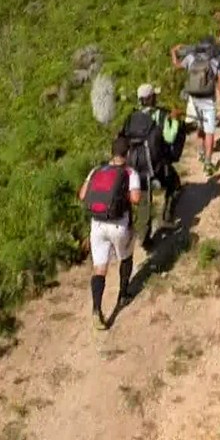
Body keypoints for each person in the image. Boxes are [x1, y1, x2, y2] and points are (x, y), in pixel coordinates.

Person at [78, 136, 143, 330]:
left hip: (97, 224)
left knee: (100, 268)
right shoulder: (130, 172)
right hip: (118, 225)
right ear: (127, 153)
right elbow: (136, 199)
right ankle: (123, 295)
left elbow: (82, 195)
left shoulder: (96, 170)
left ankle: (97, 310)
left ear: (111, 152)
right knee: (126, 256)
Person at [118, 83, 184, 246]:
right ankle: (167, 218)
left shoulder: (131, 118)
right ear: (151, 98)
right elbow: (169, 137)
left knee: (143, 200)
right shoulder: (160, 115)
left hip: (134, 165)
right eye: (155, 95)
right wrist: (174, 120)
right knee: (175, 184)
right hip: (155, 164)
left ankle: (144, 236)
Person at [171, 38, 220, 174]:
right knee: (210, 131)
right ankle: (208, 163)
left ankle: (201, 153)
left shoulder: (191, 58)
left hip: (194, 98)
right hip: (208, 100)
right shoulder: (215, 62)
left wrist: (173, 51)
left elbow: (176, 65)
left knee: (200, 125)